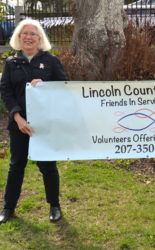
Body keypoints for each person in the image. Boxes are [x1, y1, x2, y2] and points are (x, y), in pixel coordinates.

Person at [0, 19, 67, 224]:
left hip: (45, 124)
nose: (28, 37)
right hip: (19, 124)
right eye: (24, 33)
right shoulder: (11, 63)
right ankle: (8, 208)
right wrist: (18, 117)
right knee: (16, 164)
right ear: (18, 37)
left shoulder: (51, 61)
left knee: (48, 165)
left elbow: (64, 86)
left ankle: (54, 206)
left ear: (40, 38)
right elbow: (6, 92)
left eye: (33, 34)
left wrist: (45, 84)